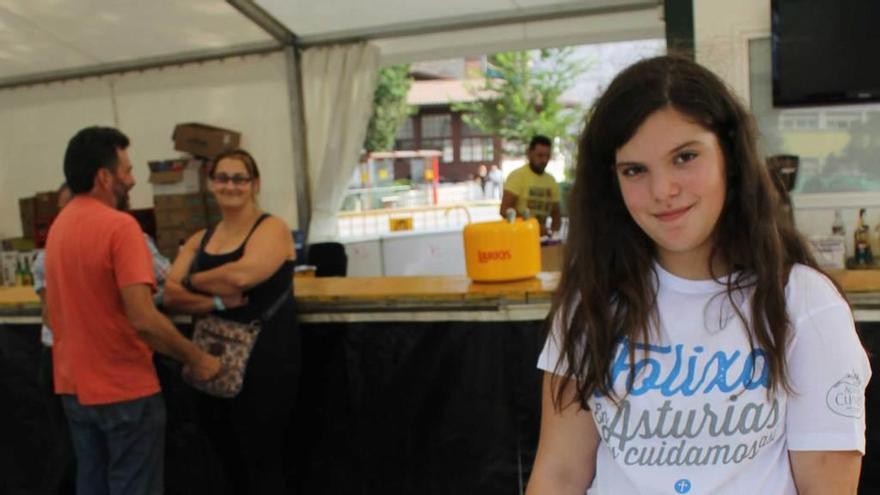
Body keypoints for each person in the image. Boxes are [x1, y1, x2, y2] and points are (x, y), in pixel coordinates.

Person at [527, 56, 871, 494]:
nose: (663, 191)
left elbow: (827, 485)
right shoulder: (590, 302)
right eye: (635, 170)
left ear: (730, 156)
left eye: (684, 157)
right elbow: (559, 474)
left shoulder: (804, 303)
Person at [44, 126, 221, 495]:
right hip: (123, 388)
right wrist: (197, 359)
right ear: (104, 177)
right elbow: (143, 319)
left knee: (92, 483)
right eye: (126, 170)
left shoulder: (59, 227)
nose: (134, 179)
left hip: (74, 387)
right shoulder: (120, 227)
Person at [162, 148, 299, 494]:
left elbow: (242, 276)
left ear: (255, 184)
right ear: (211, 184)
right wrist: (217, 299)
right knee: (224, 462)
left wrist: (193, 279)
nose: (231, 185)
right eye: (222, 178)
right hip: (211, 363)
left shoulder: (272, 229)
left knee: (263, 463)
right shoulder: (201, 238)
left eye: (240, 178)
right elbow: (169, 294)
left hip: (265, 367)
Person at [33, 181, 172, 495]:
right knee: (131, 474)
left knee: (87, 467)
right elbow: (164, 290)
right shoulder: (124, 232)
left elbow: (49, 312)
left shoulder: (54, 241)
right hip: (114, 372)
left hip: (64, 369)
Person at [500, 135, 561, 236]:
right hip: (519, 237)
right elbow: (505, 210)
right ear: (529, 153)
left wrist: (554, 235)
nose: (544, 160)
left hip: (542, 240)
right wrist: (533, 225)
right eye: (540, 155)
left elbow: (556, 213)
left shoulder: (551, 181)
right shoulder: (517, 176)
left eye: (547, 156)